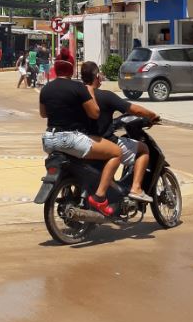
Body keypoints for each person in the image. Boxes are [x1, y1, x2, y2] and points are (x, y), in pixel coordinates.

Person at [40, 58, 122, 216]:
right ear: (71, 71)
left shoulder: (46, 88)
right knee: (116, 152)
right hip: (71, 139)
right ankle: (99, 198)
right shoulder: (78, 87)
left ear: (56, 70)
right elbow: (95, 113)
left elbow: (43, 114)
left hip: (50, 139)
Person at [81, 61, 159, 203]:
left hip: (82, 142)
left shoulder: (77, 95)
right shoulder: (106, 96)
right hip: (104, 143)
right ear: (97, 76)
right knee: (143, 149)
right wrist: (152, 115)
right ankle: (136, 188)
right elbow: (133, 109)